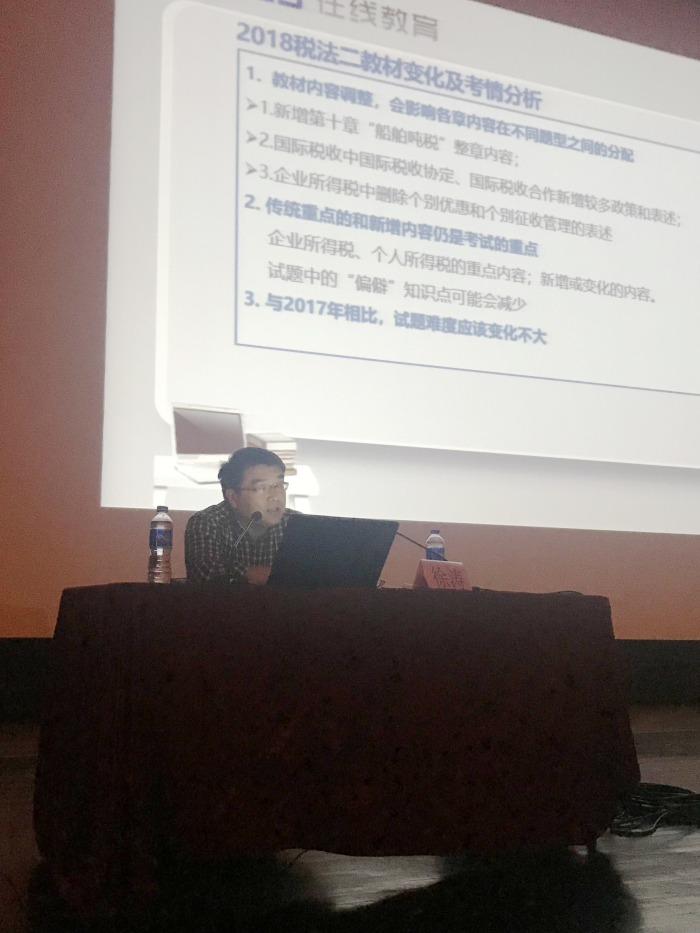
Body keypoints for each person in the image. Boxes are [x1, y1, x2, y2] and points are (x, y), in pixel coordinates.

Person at [184, 447, 298, 584]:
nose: (275, 497)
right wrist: (282, 576)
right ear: (233, 497)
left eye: (279, 485)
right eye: (260, 488)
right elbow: (208, 576)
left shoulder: (297, 524)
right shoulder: (208, 523)